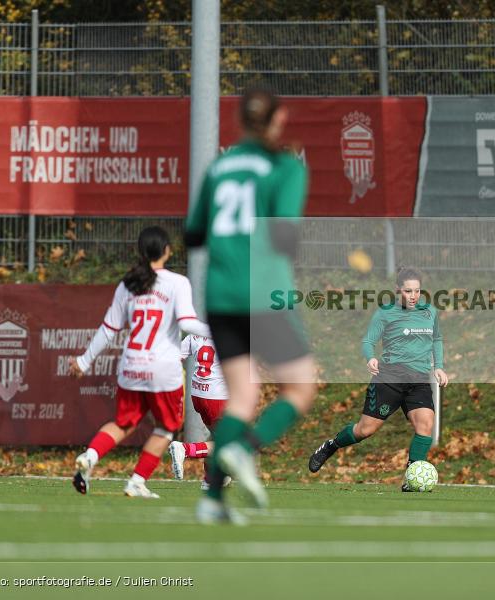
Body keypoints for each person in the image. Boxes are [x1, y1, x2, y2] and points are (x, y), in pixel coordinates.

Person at [185, 84, 317, 523]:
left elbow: (193, 234)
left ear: (241, 120)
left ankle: (212, 502)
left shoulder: (220, 165)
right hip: (263, 292)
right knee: (300, 386)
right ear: (278, 120)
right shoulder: (284, 167)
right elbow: (284, 237)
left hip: (220, 295)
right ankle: (245, 448)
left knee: (241, 395)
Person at [69, 226, 211, 499]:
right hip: (163, 370)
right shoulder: (177, 282)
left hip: (131, 366)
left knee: (123, 423)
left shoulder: (128, 283)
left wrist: (84, 361)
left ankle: (90, 455)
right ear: (167, 251)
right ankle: (136, 481)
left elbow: (109, 328)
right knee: (166, 427)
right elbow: (187, 322)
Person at [307, 267, 448, 490]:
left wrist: (439, 367)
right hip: (389, 378)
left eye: (417, 291)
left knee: (425, 425)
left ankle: (411, 478)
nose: (413, 296)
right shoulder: (385, 313)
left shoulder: (429, 311)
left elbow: (437, 339)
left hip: (419, 379)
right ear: (397, 290)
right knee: (365, 430)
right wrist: (370, 358)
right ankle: (331, 445)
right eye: (407, 291)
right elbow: (367, 342)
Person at [168, 335, 229, 489]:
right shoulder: (229, 333)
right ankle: (185, 449)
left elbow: (173, 358)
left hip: (198, 395)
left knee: (216, 436)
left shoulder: (194, 335)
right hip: (217, 397)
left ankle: (209, 480)